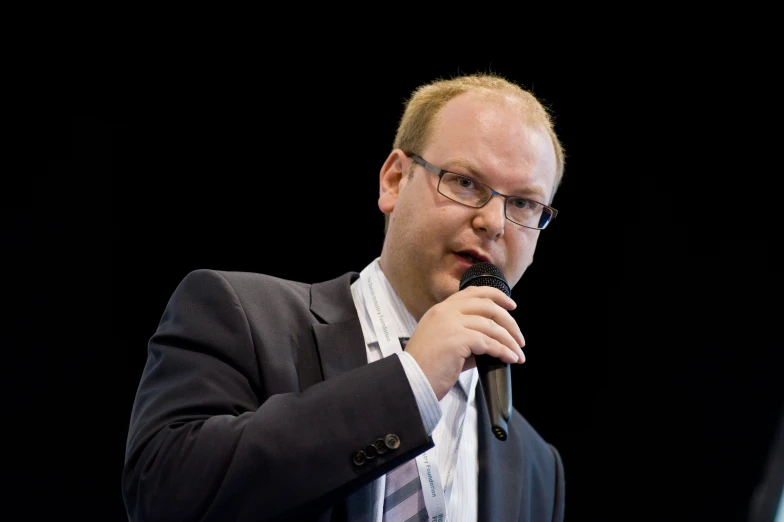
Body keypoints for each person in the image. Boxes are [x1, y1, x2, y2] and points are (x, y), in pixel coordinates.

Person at [122, 72, 567, 522]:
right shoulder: (239, 316)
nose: (494, 222)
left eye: (524, 204)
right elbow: (164, 494)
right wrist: (410, 383)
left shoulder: (536, 466)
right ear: (394, 180)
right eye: (465, 182)